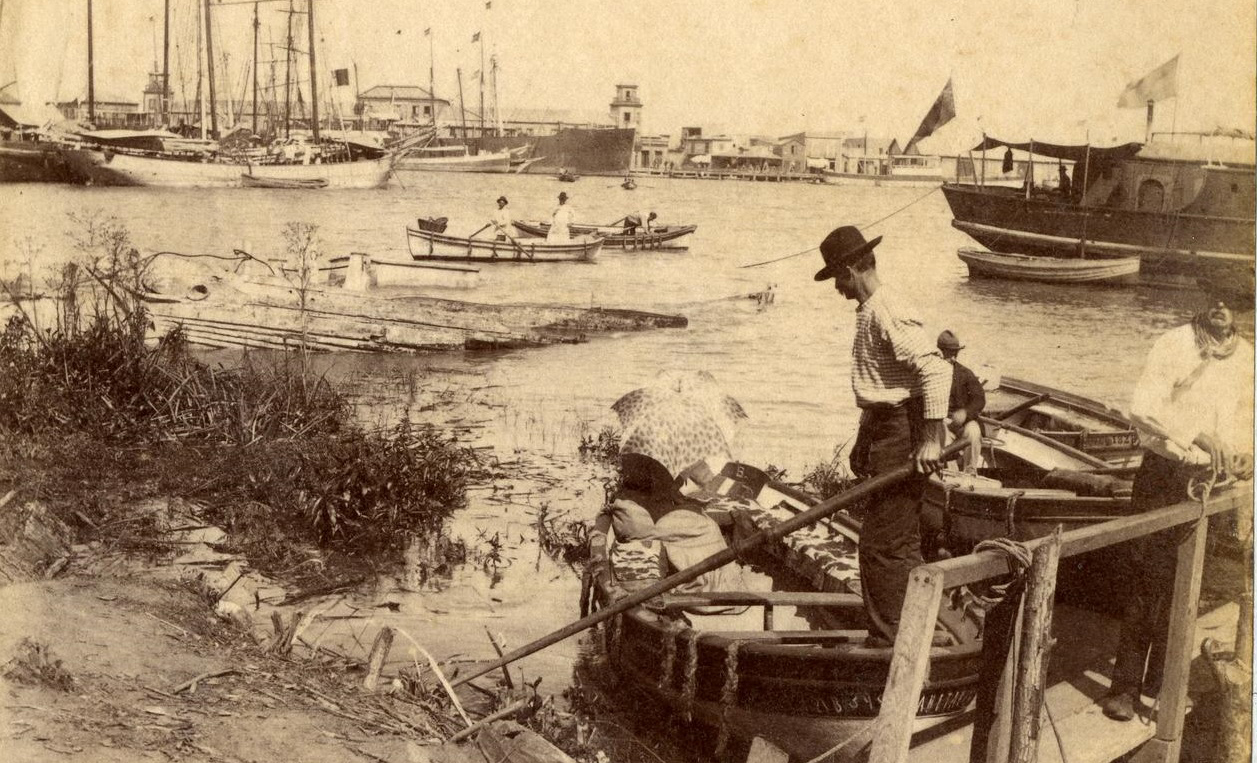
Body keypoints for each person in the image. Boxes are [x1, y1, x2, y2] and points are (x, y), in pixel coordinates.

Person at [1100, 274, 1254, 722]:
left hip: (1211, 484)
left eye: (1234, 300)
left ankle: (1162, 682)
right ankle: (1125, 688)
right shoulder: (1175, 343)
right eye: (1216, 297)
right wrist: (1196, 434)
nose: (1222, 307)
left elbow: (1245, 418)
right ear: (1205, 300)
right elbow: (1144, 406)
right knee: (1145, 582)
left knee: (1189, 585)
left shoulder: (1246, 356)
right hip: (1165, 475)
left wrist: (1246, 454)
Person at [813, 226, 949, 641]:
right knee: (898, 538)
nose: (837, 287)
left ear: (852, 270)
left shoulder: (886, 310)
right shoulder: (871, 310)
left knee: (880, 544)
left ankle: (895, 639)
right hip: (886, 428)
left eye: (838, 278)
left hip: (902, 432)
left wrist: (931, 439)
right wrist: (863, 438)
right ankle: (916, 626)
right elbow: (881, 385)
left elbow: (936, 370)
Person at [937, 330, 985, 473]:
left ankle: (970, 472)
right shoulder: (929, 373)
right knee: (942, 435)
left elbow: (979, 399)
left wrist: (965, 413)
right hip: (938, 423)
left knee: (974, 431)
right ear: (939, 352)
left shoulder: (965, 374)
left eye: (955, 353)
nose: (952, 358)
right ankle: (950, 474)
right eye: (948, 354)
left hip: (961, 424)